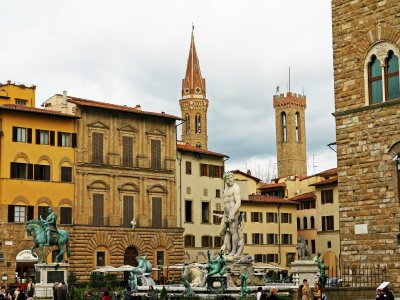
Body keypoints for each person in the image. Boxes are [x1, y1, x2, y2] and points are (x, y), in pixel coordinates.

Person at [220, 172, 241, 257]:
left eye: (230, 178)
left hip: (234, 212)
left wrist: (232, 213)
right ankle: (228, 248)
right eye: (227, 179)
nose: (229, 180)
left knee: (233, 231)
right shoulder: (225, 190)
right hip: (226, 213)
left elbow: (238, 202)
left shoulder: (236, 188)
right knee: (221, 231)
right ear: (225, 180)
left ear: (233, 178)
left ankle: (234, 250)